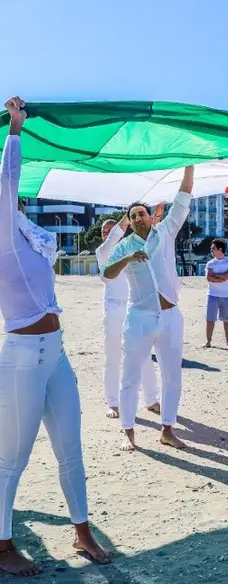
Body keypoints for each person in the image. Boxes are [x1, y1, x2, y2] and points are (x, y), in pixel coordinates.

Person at [0, 96, 111, 576]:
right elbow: (8, 178)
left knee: (71, 446)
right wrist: (17, 129)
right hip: (22, 356)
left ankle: (82, 530)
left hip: (57, 355)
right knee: (12, 459)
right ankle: (2, 548)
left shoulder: (24, 229)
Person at [102, 166, 194, 452]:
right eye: (133, 215)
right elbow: (107, 273)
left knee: (172, 376)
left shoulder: (165, 232)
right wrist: (128, 257)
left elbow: (183, 198)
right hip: (139, 318)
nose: (138, 217)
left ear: (150, 217)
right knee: (131, 375)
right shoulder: (124, 246)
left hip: (170, 316)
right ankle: (128, 432)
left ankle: (167, 429)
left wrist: (189, 166)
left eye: (142, 213)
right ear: (129, 222)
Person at [96, 215, 160, 418]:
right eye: (105, 232)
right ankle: (113, 403)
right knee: (113, 356)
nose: (108, 234)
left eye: (111, 230)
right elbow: (115, 237)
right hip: (114, 311)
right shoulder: (103, 252)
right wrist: (128, 214)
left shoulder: (130, 249)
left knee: (143, 356)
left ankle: (151, 399)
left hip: (134, 308)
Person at [204, 238, 228, 348]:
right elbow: (209, 278)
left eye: (213, 248)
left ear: (220, 249)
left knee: (227, 319)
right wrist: (223, 277)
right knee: (210, 319)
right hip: (212, 294)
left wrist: (217, 276)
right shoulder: (210, 263)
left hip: (227, 295)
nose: (211, 250)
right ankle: (208, 341)